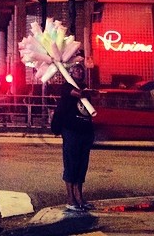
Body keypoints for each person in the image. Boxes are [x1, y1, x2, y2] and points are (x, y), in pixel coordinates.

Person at [59, 62, 95, 212]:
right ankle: (70, 198)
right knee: (71, 163)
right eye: (76, 70)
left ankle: (79, 196)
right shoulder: (67, 87)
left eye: (81, 70)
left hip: (85, 131)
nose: (79, 72)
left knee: (82, 164)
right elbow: (78, 94)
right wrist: (89, 92)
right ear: (71, 73)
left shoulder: (85, 86)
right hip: (71, 131)